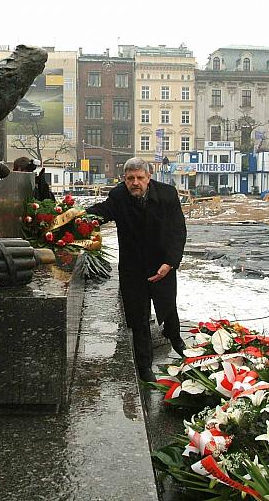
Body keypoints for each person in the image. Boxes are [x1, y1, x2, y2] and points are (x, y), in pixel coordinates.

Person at [86, 157, 187, 382]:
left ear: (149, 178)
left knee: (168, 305)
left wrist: (169, 263)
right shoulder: (119, 196)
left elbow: (178, 232)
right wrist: (74, 218)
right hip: (133, 268)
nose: (135, 183)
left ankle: (176, 338)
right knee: (139, 318)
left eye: (140, 178)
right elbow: (101, 212)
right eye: (130, 178)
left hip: (162, 264)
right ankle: (144, 367)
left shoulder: (167, 194)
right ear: (124, 179)